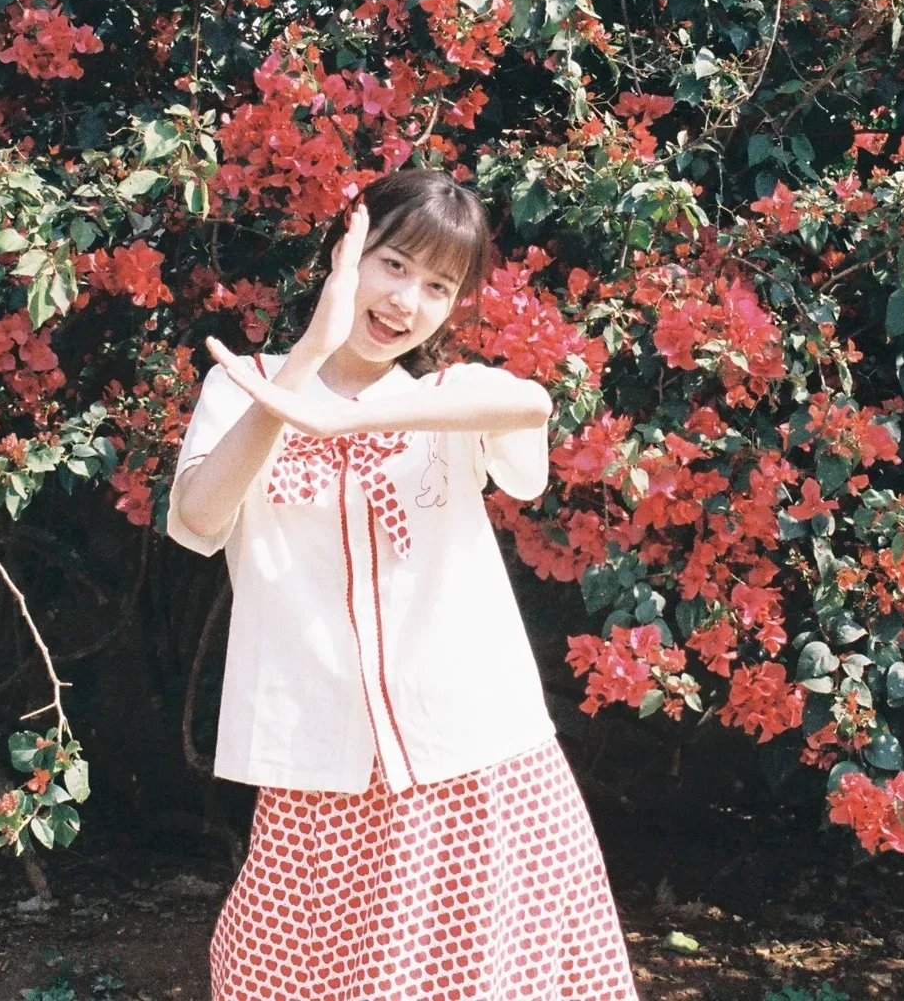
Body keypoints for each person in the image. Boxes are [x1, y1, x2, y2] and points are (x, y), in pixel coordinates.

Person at [168, 168, 639, 1001]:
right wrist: (304, 368)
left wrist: (357, 416)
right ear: (344, 254)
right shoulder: (244, 384)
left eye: (438, 286)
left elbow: (531, 407)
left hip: (477, 755)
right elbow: (198, 518)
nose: (406, 301)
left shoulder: (448, 400)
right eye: (392, 264)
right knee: (276, 975)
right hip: (317, 761)